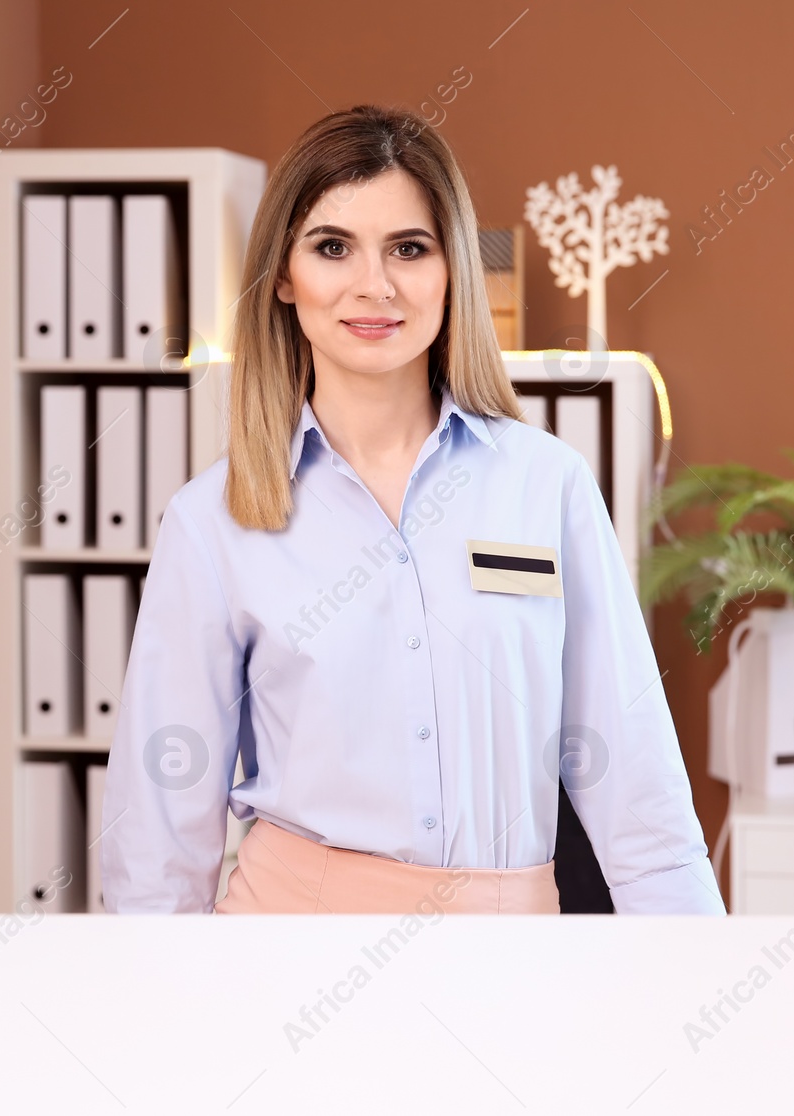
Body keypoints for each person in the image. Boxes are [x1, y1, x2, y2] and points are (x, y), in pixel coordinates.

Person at [98, 104, 724, 916]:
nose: (375, 286)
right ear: (284, 277)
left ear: (452, 270)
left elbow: (634, 777)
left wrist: (697, 975)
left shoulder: (548, 486)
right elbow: (159, 826)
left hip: (514, 959)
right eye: (332, 248)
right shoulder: (210, 522)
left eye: (409, 248)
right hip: (284, 951)